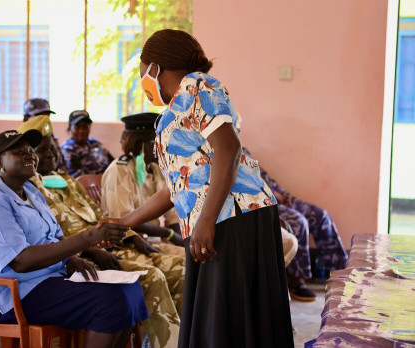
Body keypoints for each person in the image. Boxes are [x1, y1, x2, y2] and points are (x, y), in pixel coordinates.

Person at [117, 29, 294, 347]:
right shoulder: (173, 110)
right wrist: (124, 222)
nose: (142, 80)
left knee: (229, 321)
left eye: (142, 71)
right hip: (214, 219)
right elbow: (176, 188)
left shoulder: (199, 84)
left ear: (154, 68)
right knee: (219, 323)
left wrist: (206, 221)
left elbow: (229, 148)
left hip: (233, 217)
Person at [0, 129, 148, 348]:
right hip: (3, 294)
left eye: (30, 150)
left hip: (43, 280)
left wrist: (70, 259)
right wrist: (90, 238)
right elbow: (21, 261)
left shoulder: (30, 191)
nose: (30, 155)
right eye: (20, 152)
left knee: (131, 290)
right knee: (110, 300)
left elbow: (53, 235)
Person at [21, 116, 184, 348]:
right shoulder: (30, 189)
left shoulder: (67, 180)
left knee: (182, 268)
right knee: (154, 276)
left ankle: (185, 338)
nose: (50, 154)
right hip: (85, 257)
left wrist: (131, 236)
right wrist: (91, 250)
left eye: (52, 148)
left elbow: (99, 214)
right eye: (42, 150)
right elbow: (50, 236)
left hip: (114, 245)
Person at [243, 147, 348, 301]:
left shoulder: (243, 149)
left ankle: (339, 272)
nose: (238, 122)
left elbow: (263, 177)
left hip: (280, 197)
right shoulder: (223, 148)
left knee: (320, 216)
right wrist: (273, 195)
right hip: (263, 203)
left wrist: (283, 194)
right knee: (298, 221)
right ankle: (295, 281)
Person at [102, 113, 185, 257]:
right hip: (131, 242)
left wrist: (183, 240)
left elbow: (172, 215)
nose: (163, 147)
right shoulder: (120, 170)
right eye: (156, 141)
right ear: (141, 145)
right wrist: (168, 233)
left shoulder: (155, 169)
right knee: (188, 263)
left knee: (195, 256)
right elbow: (122, 219)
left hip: (157, 240)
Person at [60, 110, 114, 178]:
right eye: (77, 127)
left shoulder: (95, 144)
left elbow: (111, 166)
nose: (81, 131)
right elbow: (78, 177)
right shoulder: (67, 149)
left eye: (85, 127)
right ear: (70, 128)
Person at [23, 98, 66, 169]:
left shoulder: (51, 139)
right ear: (26, 118)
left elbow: (61, 167)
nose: (43, 121)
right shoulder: (20, 141)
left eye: (47, 117)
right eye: (39, 117)